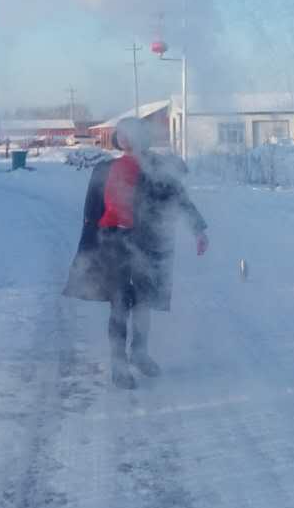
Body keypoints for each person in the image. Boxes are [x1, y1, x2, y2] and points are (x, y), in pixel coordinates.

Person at [62, 117, 209, 389]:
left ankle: (139, 354)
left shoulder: (159, 168)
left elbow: (180, 198)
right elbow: (91, 212)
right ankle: (118, 365)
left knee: (143, 302)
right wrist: (89, 249)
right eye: (121, 134)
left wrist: (198, 230)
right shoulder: (104, 168)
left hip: (146, 242)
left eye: (130, 134)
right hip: (113, 242)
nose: (124, 138)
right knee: (119, 304)